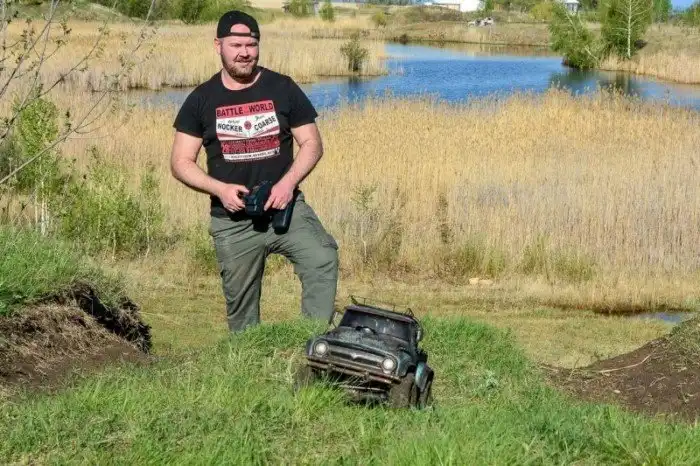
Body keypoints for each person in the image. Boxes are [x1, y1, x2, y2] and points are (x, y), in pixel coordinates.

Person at [170, 10, 339, 332]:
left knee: (322, 257)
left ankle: (312, 341)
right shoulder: (201, 99)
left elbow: (312, 144)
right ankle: (248, 356)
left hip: (285, 209)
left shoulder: (283, 87)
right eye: (236, 45)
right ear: (218, 45)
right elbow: (180, 162)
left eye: (251, 44)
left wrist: (287, 185)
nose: (245, 53)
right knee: (241, 313)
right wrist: (220, 189)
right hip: (232, 220)